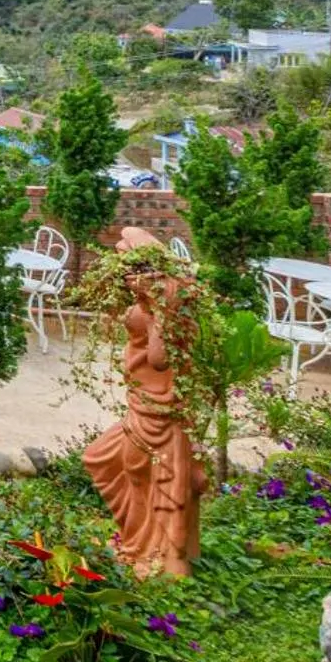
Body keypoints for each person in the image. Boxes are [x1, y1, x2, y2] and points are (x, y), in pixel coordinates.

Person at [82, 228, 207, 577]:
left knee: (150, 481)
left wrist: (158, 313)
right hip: (142, 405)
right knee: (109, 464)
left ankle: (153, 554)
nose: (126, 279)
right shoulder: (147, 304)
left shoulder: (167, 308)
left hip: (157, 413)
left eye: (132, 272)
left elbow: (160, 359)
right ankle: (137, 542)